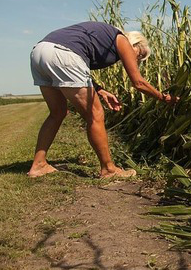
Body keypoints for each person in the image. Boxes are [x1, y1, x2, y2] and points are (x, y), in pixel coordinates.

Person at [28, 21, 177, 178]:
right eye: (139, 55)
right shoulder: (122, 40)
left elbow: (80, 66)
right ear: (135, 43)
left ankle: (38, 165)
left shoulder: (106, 39)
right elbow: (138, 83)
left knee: (57, 113)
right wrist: (164, 98)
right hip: (63, 54)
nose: (137, 60)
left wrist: (100, 90)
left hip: (40, 52)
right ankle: (109, 169)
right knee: (95, 115)